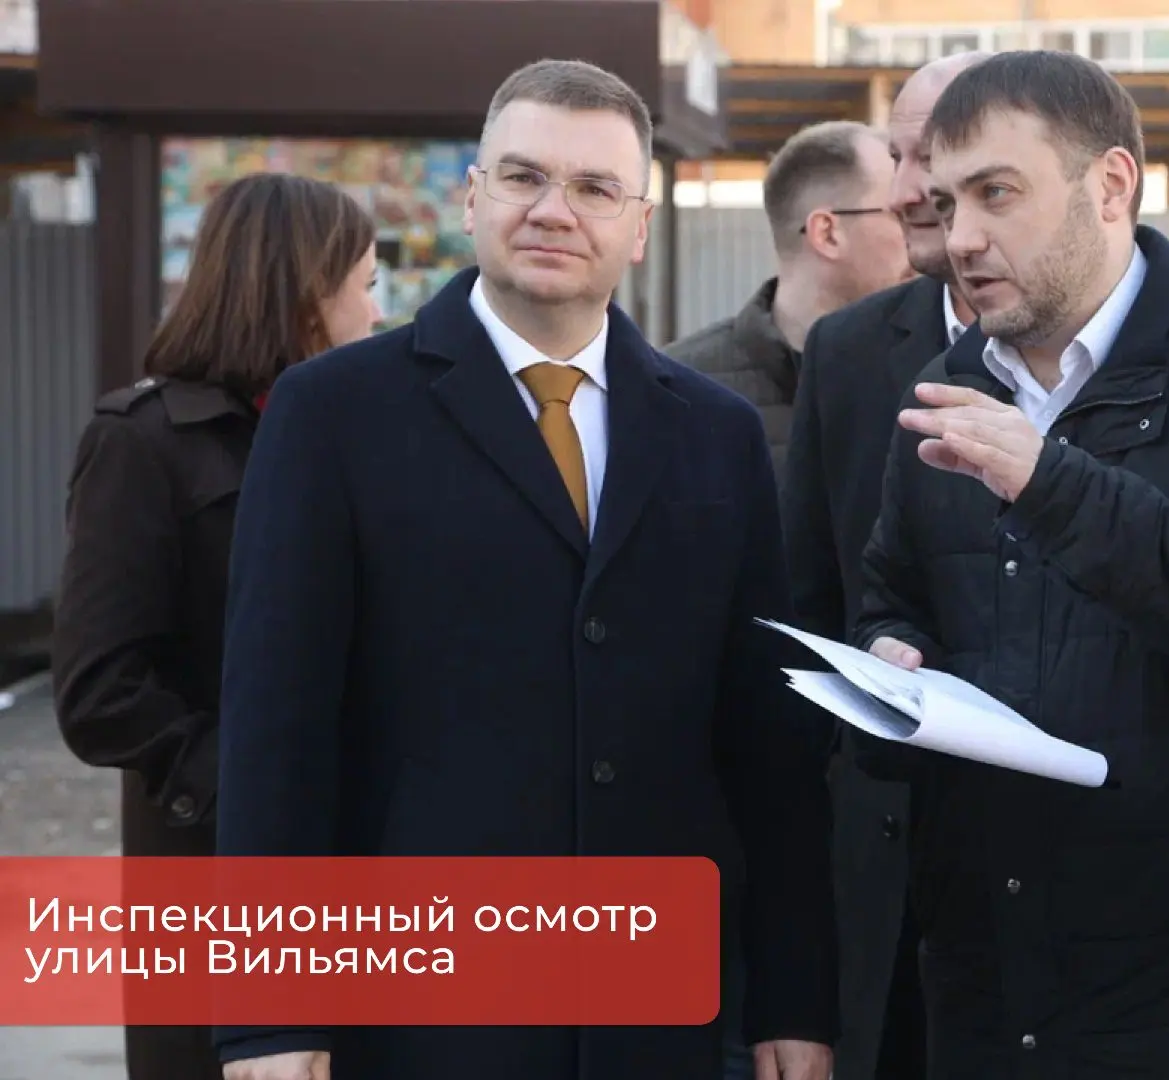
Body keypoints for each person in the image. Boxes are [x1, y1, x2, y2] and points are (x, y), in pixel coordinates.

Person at [213, 59, 837, 1080]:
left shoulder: (715, 433)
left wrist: (795, 998)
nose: (554, 210)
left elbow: (763, 742)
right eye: (523, 177)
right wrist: (271, 1014)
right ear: (472, 199)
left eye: (595, 188)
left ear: (639, 227)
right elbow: (277, 727)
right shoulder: (333, 413)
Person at [851, 50, 1169, 1079]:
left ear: (1111, 184)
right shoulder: (944, 386)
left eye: (997, 194)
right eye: (948, 203)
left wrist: (1048, 481)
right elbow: (894, 593)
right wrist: (891, 660)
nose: (961, 238)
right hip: (982, 979)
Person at [48, 172, 379, 1080]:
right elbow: (101, 690)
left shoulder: (359, 437)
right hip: (213, 879)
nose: (376, 312)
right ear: (306, 293)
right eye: (365, 284)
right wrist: (260, 793)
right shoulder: (142, 440)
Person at [778, 49, 988, 1080]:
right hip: (884, 894)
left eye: (933, 155)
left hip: (1084, 892)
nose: (907, 188)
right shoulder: (848, 354)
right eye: (897, 156)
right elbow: (806, 620)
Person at [665, 119, 910, 489]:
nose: (923, 237)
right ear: (827, 233)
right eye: (902, 215)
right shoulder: (676, 395)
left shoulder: (937, 376)